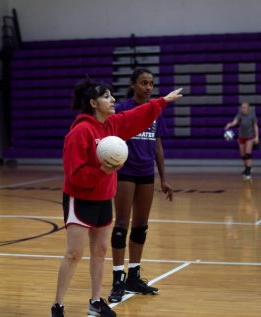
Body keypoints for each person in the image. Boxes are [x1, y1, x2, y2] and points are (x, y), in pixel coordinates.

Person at [50, 76, 182, 317]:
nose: (113, 100)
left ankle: (96, 300)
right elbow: (74, 174)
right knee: (74, 253)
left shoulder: (112, 125)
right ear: (93, 103)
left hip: (103, 198)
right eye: (107, 96)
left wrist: (162, 101)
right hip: (80, 199)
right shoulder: (80, 131)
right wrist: (101, 170)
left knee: (100, 251)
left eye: (112, 96)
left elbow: (136, 116)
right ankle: (58, 305)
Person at [108, 68, 173, 303]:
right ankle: (117, 279)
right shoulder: (123, 109)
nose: (148, 87)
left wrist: (164, 178)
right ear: (133, 85)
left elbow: (157, 146)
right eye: (143, 83)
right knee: (121, 225)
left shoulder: (156, 111)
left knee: (141, 226)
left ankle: (133, 276)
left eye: (151, 84)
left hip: (146, 172)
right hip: (125, 171)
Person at [224, 102, 259, 180]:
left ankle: (248, 172)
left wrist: (257, 137)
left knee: (247, 154)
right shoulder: (239, 114)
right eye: (242, 107)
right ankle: (247, 167)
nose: (243, 109)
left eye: (244, 107)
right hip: (241, 137)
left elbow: (255, 126)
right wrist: (229, 124)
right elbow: (235, 122)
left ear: (248, 108)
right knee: (242, 154)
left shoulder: (252, 115)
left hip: (250, 137)